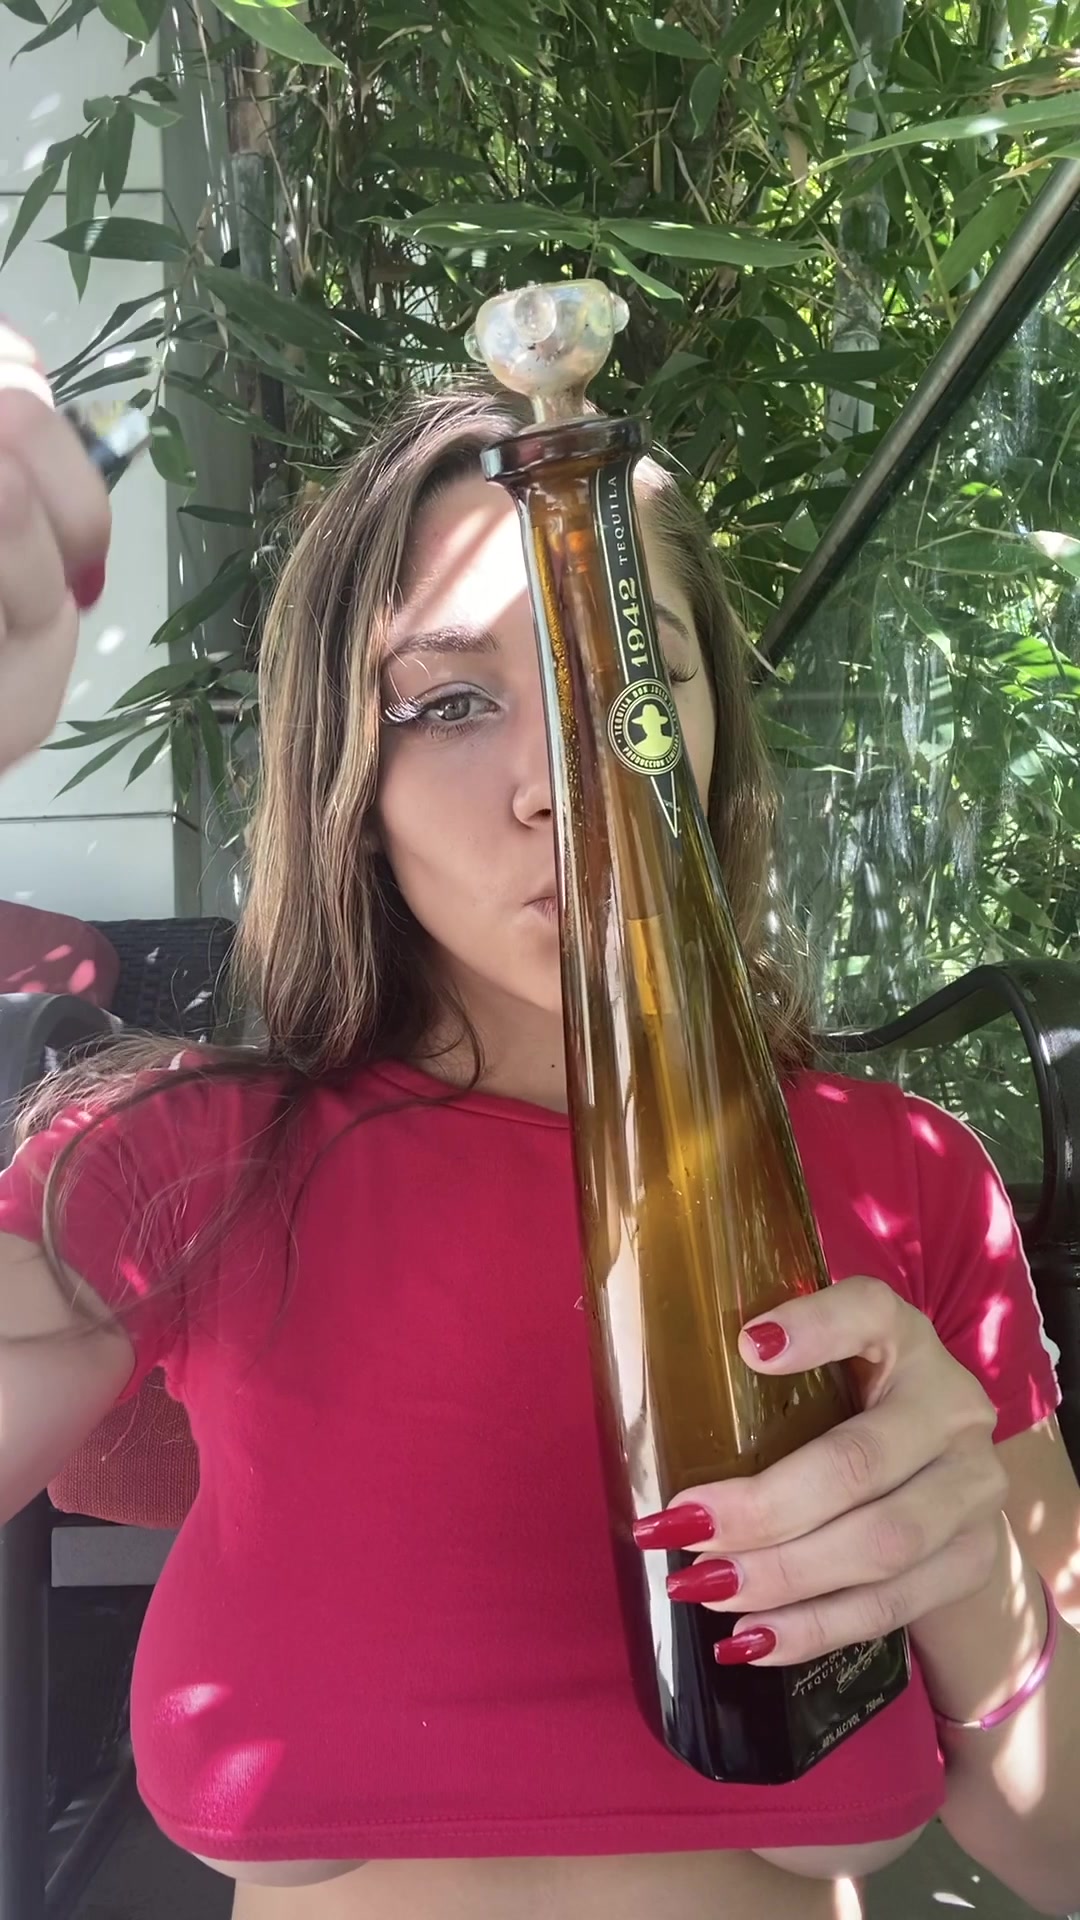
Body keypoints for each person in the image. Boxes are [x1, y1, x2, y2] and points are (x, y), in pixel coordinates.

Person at [0, 318, 1077, 1920]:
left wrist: (977, 1585)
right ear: (347, 780)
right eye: (450, 704)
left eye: (633, 681)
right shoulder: (190, 1163)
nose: (567, 779)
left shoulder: (896, 1177)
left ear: (708, 729)